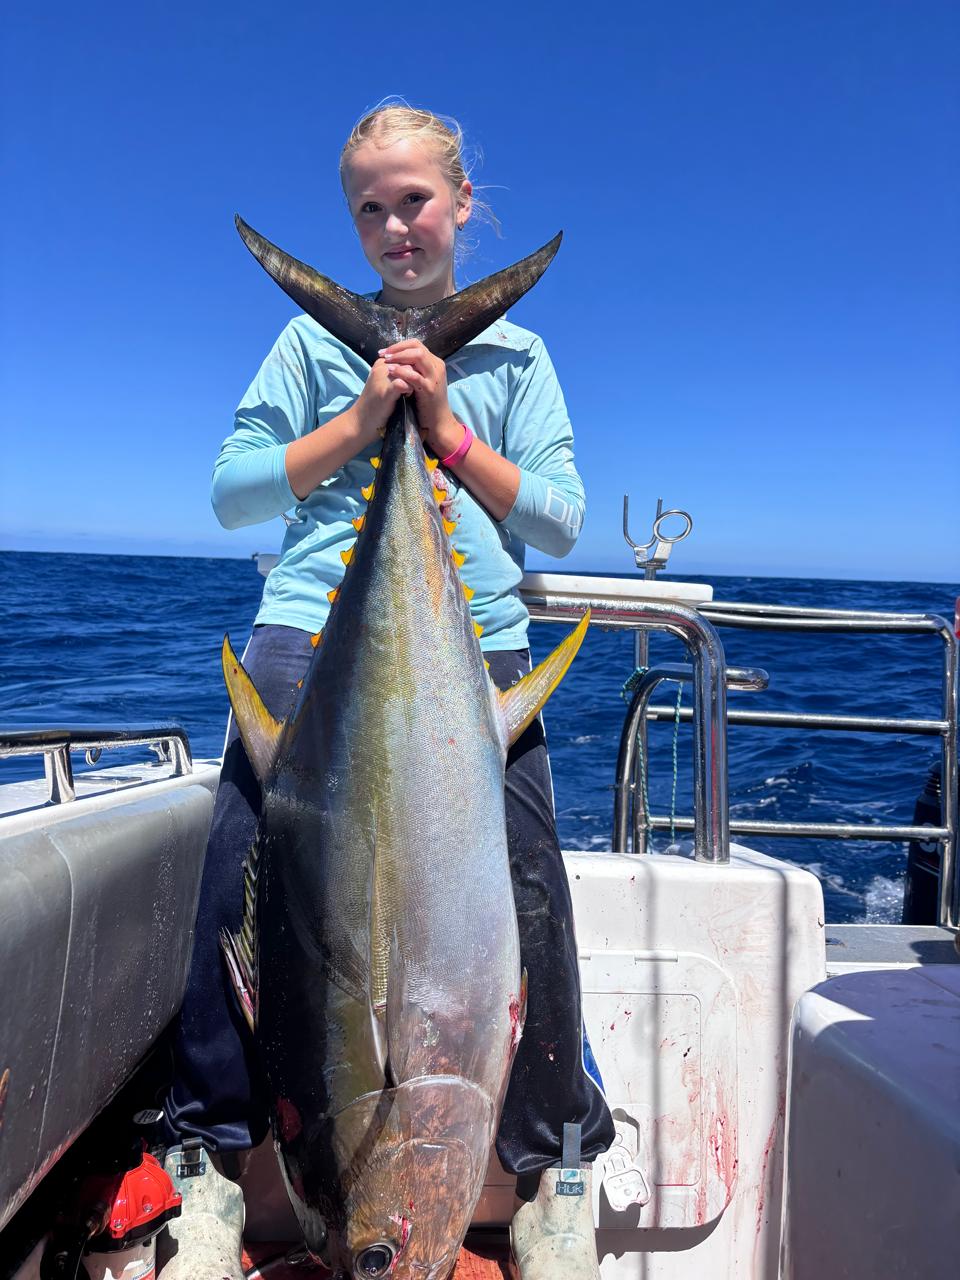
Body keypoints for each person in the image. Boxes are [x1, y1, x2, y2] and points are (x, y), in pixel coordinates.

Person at [160, 102, 614, 1280]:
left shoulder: (518, 355)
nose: (393, 225)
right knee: (236, 888)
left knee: (533, 893)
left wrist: (445, 434)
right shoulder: (312, 350)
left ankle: (560, 1167)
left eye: (413, 199)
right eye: (369, 207)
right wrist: (364, 420)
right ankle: (208, 1165)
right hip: (312, 635)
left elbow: (559, 517)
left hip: (477, 653)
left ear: (463, 203)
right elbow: (234, 494)